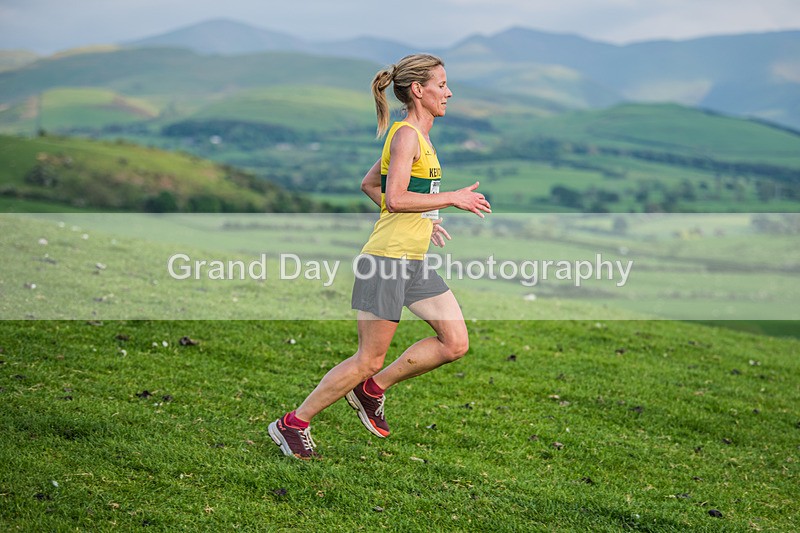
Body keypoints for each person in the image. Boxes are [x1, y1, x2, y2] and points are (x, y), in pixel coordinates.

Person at [268, 53, 492, 459]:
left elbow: (370, 183)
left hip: (412, 261)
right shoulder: (405, 135)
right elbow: (394, 196)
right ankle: (293, 424)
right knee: (368, 357)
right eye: (441, 85)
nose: (449, 92)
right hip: (387, 260)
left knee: (455, 342)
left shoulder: (420, 138)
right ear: (418, 90)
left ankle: (372, 391)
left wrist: (424, 218)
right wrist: (452, 198)